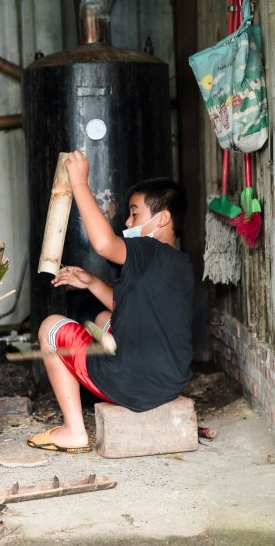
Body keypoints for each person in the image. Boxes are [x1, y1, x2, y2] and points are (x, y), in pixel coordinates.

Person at [27, 149, 194, 453]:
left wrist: (79, 183)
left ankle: (74, 430)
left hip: (130, 384)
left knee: (50, 327)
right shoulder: (179, 264)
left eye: (135, 213)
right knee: (105, 318)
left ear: (163, 219)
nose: (127, 221)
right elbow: (131, 306)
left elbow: (104, 244)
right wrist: (91, 282)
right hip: (168, 383)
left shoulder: (146, 248)